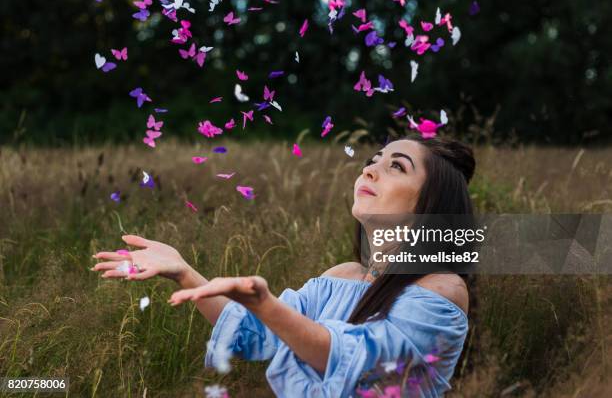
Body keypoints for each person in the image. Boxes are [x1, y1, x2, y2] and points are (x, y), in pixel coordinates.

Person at [92, 134, 475, 397]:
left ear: (430, 204)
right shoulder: (339, 278)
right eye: (372, 162)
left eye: (397, 167)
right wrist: (183, 271)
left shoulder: (441, 288)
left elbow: (357, 360)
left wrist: (266, 304)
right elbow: (254, 334)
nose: (369, 170)